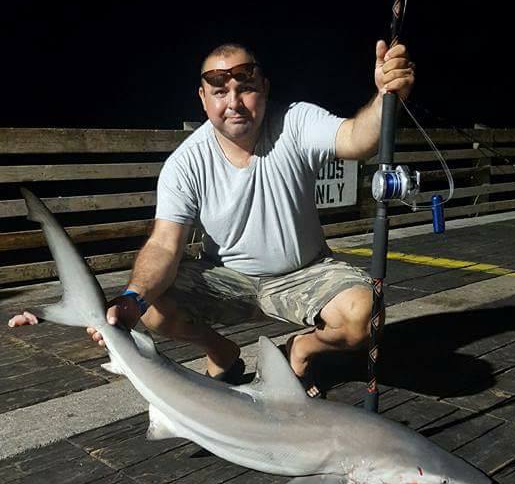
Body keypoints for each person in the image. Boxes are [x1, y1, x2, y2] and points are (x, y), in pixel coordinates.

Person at [9, 40, 414, 396]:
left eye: (246, 88)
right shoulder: (186, 163)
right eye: (220, 92)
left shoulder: (294, 121)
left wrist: (384, 96)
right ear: (203, 98)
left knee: (365, 316)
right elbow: (166, 244)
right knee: (152, 304)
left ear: (265, 89)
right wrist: (131, 300)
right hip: (227, 278)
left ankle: (301, 350)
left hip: (304, 272)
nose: (233, 102)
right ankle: (220, 349)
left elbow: (358, 139)